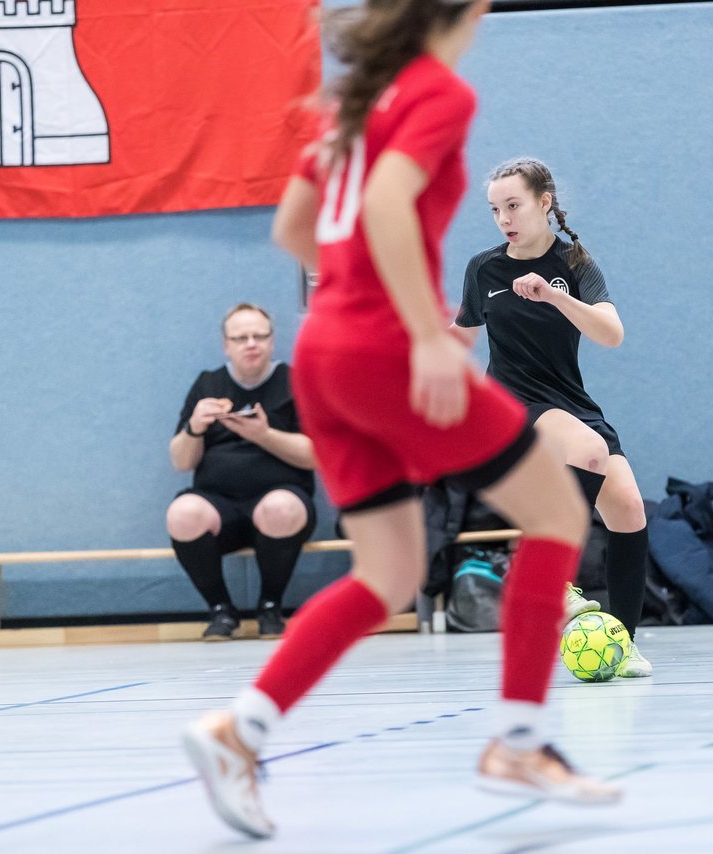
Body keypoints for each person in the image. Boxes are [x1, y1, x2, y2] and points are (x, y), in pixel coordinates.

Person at [181, 0, 620, 839]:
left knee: (384, 574)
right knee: (560, 512)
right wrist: (422, 332)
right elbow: (385, 204)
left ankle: (241, 730)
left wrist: (351, 292)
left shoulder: (354, 100)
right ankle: (521, 738)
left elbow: (293, 229)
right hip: (383, 351)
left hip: (322, 355)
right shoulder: (437, 91)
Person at [455, 157, 652, 677]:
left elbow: (611, 334)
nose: (504, 218)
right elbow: (460, 340)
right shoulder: (484, 268)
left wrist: (553, 295)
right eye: (496, 209)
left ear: (545, 202)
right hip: (513, 400)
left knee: (629, 508)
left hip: (568, 398)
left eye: (513, 205)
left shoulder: (575, 263)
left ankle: (622, 643)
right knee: (587, 450)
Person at [167, 303, 317, 640]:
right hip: (220, 507)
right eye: (241, 337)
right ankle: (221, 610)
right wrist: (194, 428)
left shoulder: (294, 381)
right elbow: (181, 461)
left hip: (282, 502)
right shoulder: (208, 384)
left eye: (259, 336)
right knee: (181, 513)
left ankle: (270, 607)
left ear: (271, 341)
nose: (251, 343)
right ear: (226, 345)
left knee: (281, 507)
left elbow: (317, 456)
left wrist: (263, 435)